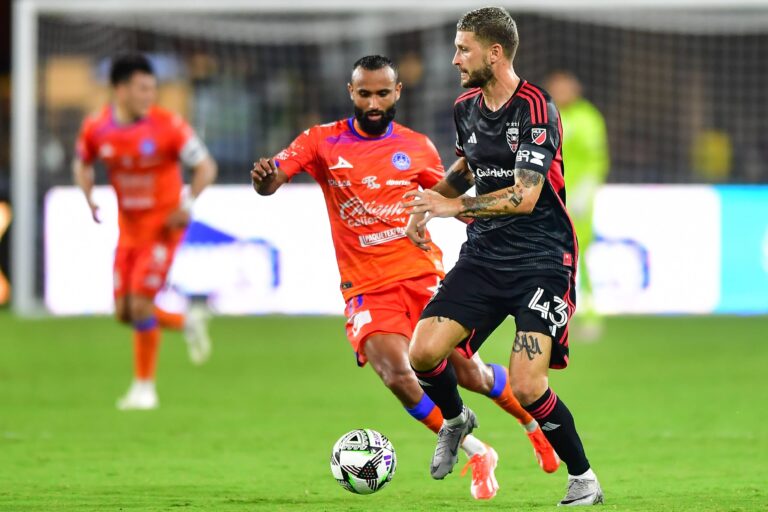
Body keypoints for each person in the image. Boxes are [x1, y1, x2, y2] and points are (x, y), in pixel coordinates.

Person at [250, 55, 558, 501]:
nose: (373, 103)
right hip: (366, 285)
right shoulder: (321, 141)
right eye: (364, 94)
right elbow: (273, 178)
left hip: (421, 273)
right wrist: (264, 180)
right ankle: (476, 451)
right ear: (350, 93)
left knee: (466, 372)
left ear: (397, 93)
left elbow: (447, 198)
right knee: (397, 372)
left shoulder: (417, 147)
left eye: (381, 93)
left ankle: (532, 423)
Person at [403, 8, 603, 506]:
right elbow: (470, 164)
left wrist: (455, 207)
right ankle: (455, 420)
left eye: (463, 49)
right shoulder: (466, 105)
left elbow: (527, 194)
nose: (454, 59)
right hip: (486, 255)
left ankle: (584, 480)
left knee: (527, 383)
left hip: (541, 258)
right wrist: (429, 204)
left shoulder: (537, 108)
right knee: (423, 351)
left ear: (494, 53)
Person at [73, 54, 218, 410]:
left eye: (153, 88)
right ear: (119, 90)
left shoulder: (169, 126)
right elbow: (82, 161)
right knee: (123, 312)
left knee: (140, 305)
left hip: (163, 229)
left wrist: (188, 204)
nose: (149, 96)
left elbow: (205, 166)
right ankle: (186, 321)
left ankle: (144, 389)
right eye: (142, 88)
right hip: (129, 230)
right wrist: (88, 195)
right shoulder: (96, 128)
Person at [544, 71, 610, 340]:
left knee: (578, 255)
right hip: (549, 197)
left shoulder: (587, 117)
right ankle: (549, 314)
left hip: (578, 200)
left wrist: (585, 190)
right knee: (548, 255)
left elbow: (597, 159)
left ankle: (591, 314)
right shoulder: (545, 113)